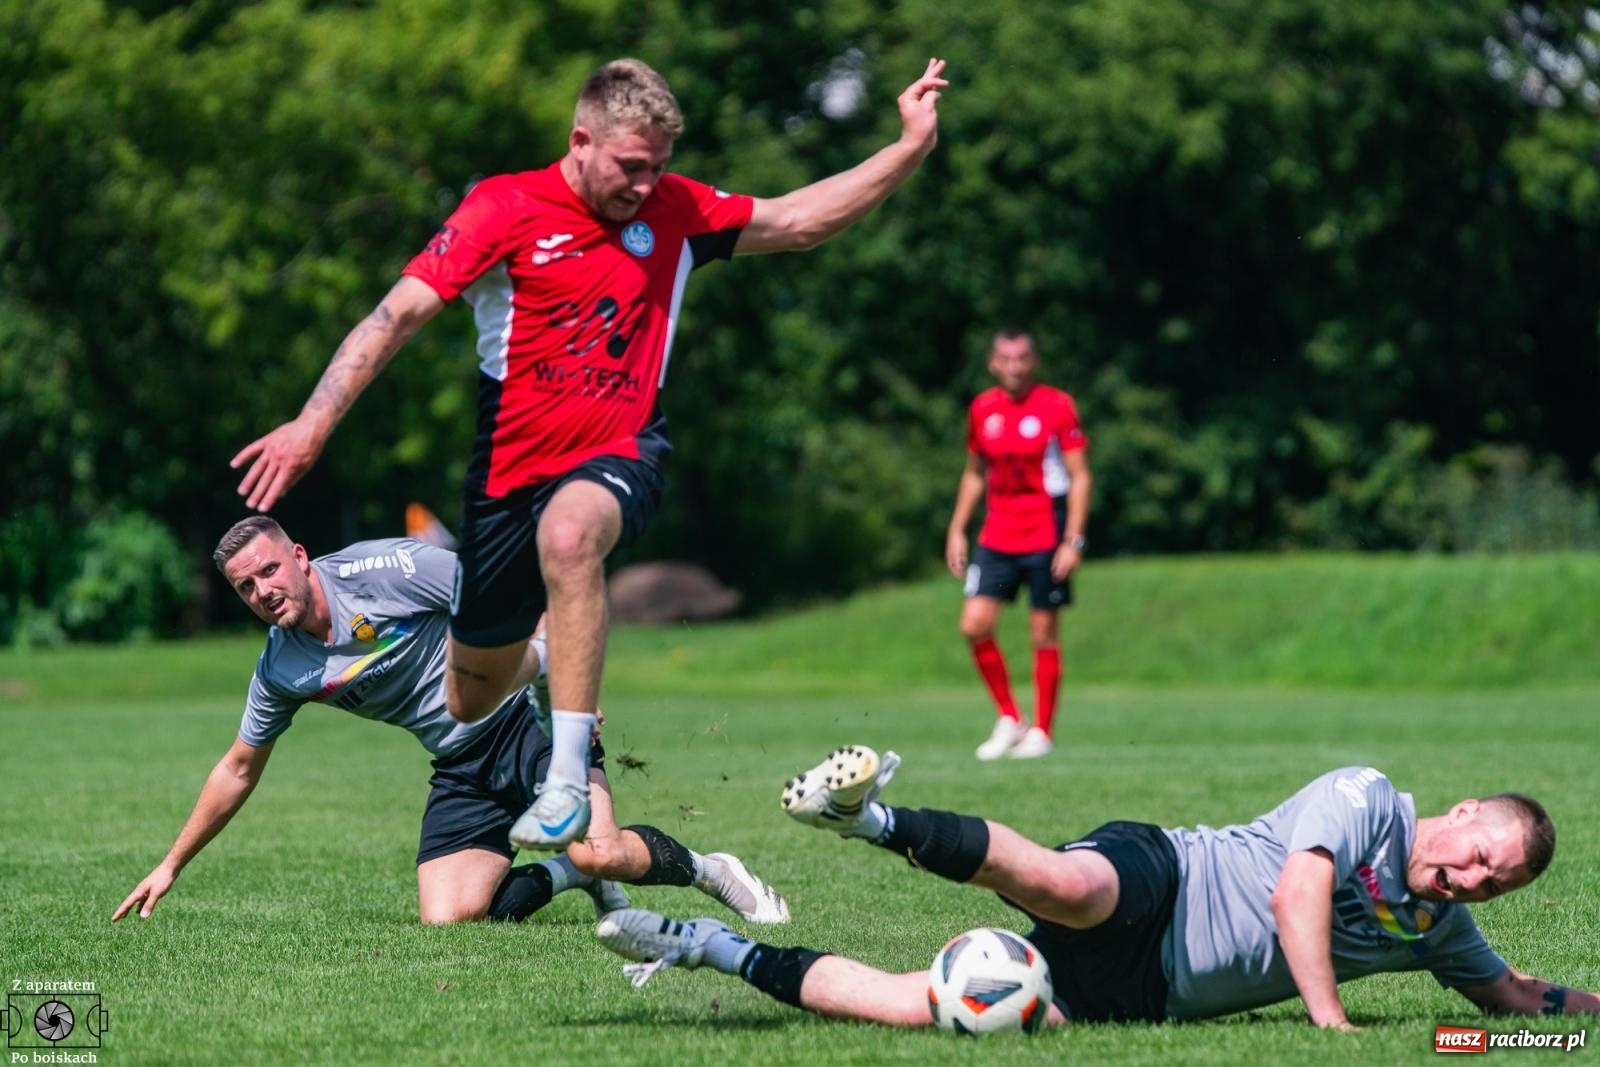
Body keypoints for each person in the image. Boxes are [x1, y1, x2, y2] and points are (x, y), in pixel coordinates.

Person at [230, 56, 950, 850]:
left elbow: (802, 219)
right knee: (469, 697)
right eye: (631, 166)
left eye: (659, 167)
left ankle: (567, 780)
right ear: (581, 141)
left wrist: (908, 146)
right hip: (505, 485)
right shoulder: (502, 207)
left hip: (620, 450)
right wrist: (313, 422)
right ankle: (548, 667)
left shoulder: (677, 210)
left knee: (570, 534)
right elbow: (393, 317)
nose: (647, 185)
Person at [594, 745, 1599, 1028]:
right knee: (1062, 882)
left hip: (1141, 993)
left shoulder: (1437, 927)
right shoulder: (1367, 796)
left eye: (1493, 883)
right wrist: (1329, 1023)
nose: (1472, 878)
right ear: (1463, 810)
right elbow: (1297, 894)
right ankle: (866, 818)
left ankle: (703, 942)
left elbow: (1513, 1000)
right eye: (1480, 853)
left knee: (914, 1003)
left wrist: (1578, 1018)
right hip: (1169, 877)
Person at [112, 516, 789, 928]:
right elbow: (237, 768)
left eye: (268, 570)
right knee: (449, 917)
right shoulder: (282, 668)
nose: (263, 591)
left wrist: (568, 688)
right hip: (460, 764)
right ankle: (572, 876)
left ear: (299, 556)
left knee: (602, 850)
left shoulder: (387, 570)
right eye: (246, 587)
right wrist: (171, 865)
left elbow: (514, 598)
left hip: (528, 721)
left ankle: (711, 869)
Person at [945, 330, 1090, 760]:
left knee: (1042, 631)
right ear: (993, 363)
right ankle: (1010, 718)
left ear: (1034, 362)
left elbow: (1080, 475)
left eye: (1023, 357)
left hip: (1046, 534)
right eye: (1006, 358)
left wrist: (1073, 540)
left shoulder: (1056, 406)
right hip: (998, 536)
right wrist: (957, 528)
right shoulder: (982, 409)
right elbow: (974, 473)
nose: (1015, 366)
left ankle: (1042, 731)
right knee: (974, 624)